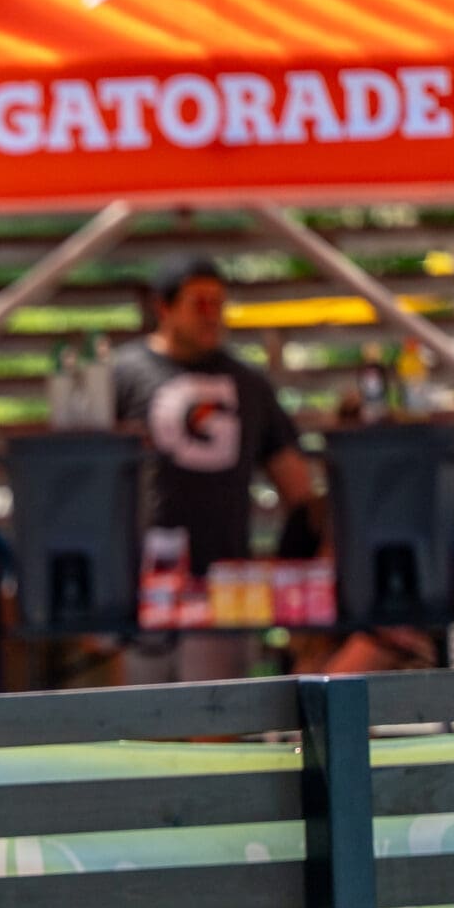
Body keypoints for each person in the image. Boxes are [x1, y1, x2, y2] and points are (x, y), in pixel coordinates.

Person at [111, 255, 315, 682]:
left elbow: (296, 486)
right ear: (164, 308)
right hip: (140, 589)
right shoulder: (123, 374)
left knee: (216, 725)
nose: (210, 316)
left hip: (222, 587)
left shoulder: (248, 383)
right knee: (145, 729)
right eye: (197, 303)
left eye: (217, 304)